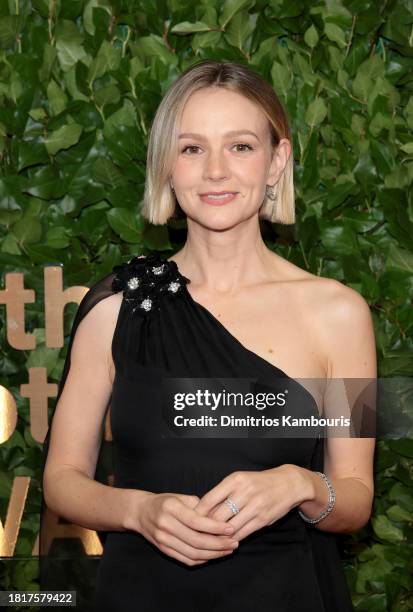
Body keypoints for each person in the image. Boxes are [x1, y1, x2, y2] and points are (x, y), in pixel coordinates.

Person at [40, 60, 377, 611]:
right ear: (166, 167)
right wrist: (137, 512)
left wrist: (301, 484)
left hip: (289, 594)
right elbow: (62, 480)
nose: (216, 171)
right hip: (142, 595)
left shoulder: (342, 314)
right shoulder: (117, 307)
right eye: (192, 148)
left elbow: (356, 498)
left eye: (241, 146)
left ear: (277, 161)